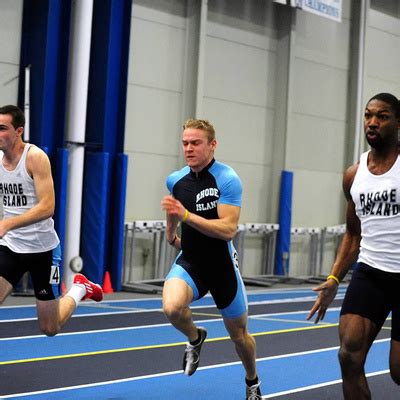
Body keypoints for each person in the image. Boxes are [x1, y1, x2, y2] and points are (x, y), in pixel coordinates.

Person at [307, 93, 400, 399]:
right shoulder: (353, 174)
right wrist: (334, 278)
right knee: (348, 357)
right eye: (368, 115)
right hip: (371, 273)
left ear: (398, 122)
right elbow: (352, 233)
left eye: (382, 116)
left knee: (399, 371)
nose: (372, 122)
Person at [161, 119, 262, 399]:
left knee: (240, 338)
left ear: (212, 145)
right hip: (191, 262)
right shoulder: (176, 179)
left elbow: (228, 230)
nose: (189, 149)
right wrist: (171, 233)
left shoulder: (227, 179)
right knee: (171, 308)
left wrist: (185, 217)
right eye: (185, 143)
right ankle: (195, 337)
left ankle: (252, 381)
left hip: (221, 267)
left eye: (196, 143)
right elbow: (173, 205)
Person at [0, 105, 103, 336]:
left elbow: (48, 207)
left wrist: (7, 223)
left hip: (42, 251)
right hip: (11, 247)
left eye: (2, 128)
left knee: (50, 327)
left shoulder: (35, 157)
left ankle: (78, 288)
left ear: (19, 131)